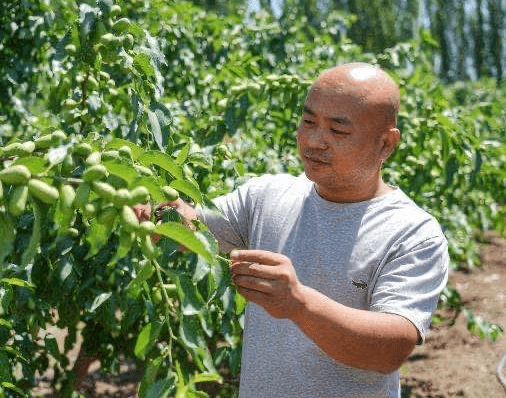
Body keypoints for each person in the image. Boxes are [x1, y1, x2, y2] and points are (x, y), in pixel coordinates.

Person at [156, 62, 449, 397]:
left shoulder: (412, 233)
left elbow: (390, 350)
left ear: (386, 145)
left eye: (337, 132)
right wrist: (160, 213)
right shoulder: (267, 196)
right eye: (308, 122)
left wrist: (298, 303)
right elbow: (193, 229)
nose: (314, 140)